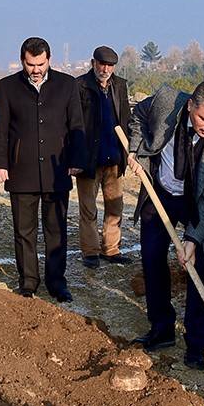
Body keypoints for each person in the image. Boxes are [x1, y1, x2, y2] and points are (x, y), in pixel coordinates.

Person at [127, 80, 204, 371]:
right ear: (191, 105)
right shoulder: (166, 101)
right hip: (161, 192)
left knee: (201, 267)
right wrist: (136, 150)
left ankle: (197, 342)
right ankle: (162, 329)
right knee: (152, 258)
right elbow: (138, 115)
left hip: (200, 200)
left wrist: (192, 239)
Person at [0, 37, 86, 303]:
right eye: (31, 64)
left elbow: (76, 125)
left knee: (57, 231)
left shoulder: (67, 85)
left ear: (49, 60)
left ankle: (57, 283)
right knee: (24, 231)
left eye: (40, 64)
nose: (36, 70)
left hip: (58, 170)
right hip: (21, 170)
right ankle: (28, 282)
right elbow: (0, 127)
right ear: (22, 61)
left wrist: (76, 159)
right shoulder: (7, 86)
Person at [75, 46, 133, 268]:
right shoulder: (79, 86)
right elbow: (71, 124)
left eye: (110, 66)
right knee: (88, 209)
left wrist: (129, 151)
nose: (105, 69)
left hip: (115, 159)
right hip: (88, 160)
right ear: (93, 63)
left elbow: (126, 119)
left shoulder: (120, 86)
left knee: (115, 208)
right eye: (102, 64)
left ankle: (111, 250)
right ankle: (90, 252)